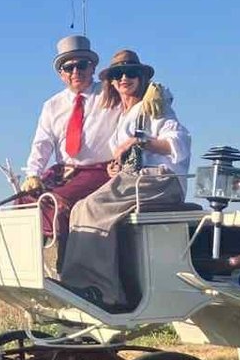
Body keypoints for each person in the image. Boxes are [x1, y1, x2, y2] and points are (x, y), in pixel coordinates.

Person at [59, 49, 192, 309]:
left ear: (141, 78)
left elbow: (180, 143)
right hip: (136, 180)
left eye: (131, 73)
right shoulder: (123, 115)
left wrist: (141, 141)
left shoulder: (154, 105)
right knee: (79, 209)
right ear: (110, 81)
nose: (124, 78)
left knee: (93, 208)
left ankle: (103, 291)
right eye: (118, 74)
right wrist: (116, 168)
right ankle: (79, 281)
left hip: (163, 181)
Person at [20, 35, 122, 244]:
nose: (76, 72)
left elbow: (136, 86)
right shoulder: (52, 105)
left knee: (56, 202)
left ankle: (70, 261)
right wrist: (33, 174)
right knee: (24, 202)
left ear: (93, 67)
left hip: (99, 171)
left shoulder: (111, 92)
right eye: (69, 68)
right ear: (61, 74)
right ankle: (29, 268)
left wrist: (156, 94)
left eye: (82, 65)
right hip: (64, 170)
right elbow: (42, 143)